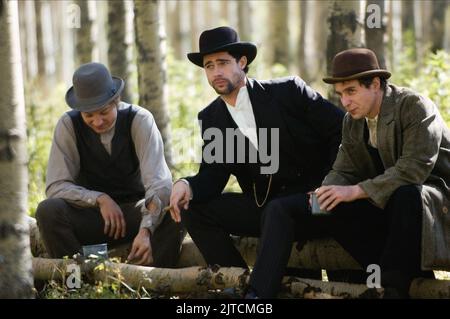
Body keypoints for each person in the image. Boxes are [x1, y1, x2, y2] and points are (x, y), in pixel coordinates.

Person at [169, 26, 344, 298]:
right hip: (264, 208)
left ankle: (257, 297)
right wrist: (186, 185)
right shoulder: (212, 117)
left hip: (317, 202)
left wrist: (331, 184)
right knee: (194, 208)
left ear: (242, 62)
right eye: (209, 66)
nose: (216, 72)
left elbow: (340, 131)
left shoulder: (288, 92)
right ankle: (240, 283)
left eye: (223, 63)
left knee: (279, 209)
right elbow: (213, 177)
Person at [316, 48, 450, 297]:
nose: (344, 102)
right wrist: (323, 193)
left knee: (406, 194)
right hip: (394, 206)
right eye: (341, 94)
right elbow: (344, 168)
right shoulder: (352, 121)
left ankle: (389, 287)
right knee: (332, 203)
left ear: (375, 84)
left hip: (438, 204)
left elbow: (413, 170)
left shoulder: (414, 106)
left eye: (351, 91)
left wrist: (357, 190)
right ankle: (398, 278)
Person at [36, 62, 184, 267]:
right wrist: (99, 199)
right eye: (88, 115)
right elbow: (56, 186)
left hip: (136, 212)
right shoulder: (67, 125)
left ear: (116, 100)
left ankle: (158, 280)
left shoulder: (140, 120)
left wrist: (146, 229)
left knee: (174, 207)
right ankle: (76, 283)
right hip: (92, 219)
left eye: (103, 112)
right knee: (48, 211)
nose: (97, 121)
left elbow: (159, 184)